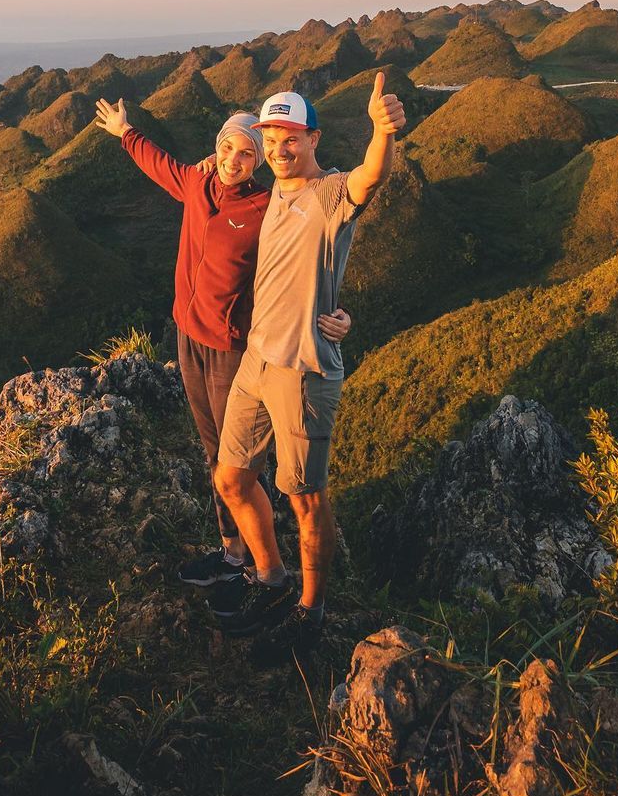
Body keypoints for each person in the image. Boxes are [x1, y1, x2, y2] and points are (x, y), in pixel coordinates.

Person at [92, 98, 351, 605]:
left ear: (259, 161)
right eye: (227, 148)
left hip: (235, 348)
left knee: (235, 461)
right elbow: (157, 162)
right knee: (216, 453)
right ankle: (234, 554)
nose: (234, 159)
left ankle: (263, 567)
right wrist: (125, 132)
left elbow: (310, 259)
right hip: (189, 337)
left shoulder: (267, 205)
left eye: (247, 153)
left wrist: (339, 312)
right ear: (215, 150)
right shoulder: (197, 183)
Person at [213, 73, 405, 663]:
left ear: (314, 139)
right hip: (256, 361)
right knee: (231, 479)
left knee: (305, 498)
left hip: (303, 370)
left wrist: (383, 132)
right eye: (270, 138)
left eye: (290, 138)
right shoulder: (272, 189)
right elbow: (219, 163)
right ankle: (270, 580)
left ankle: (311, 611)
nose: (278, 149)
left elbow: (373, 176)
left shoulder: (330, 194)